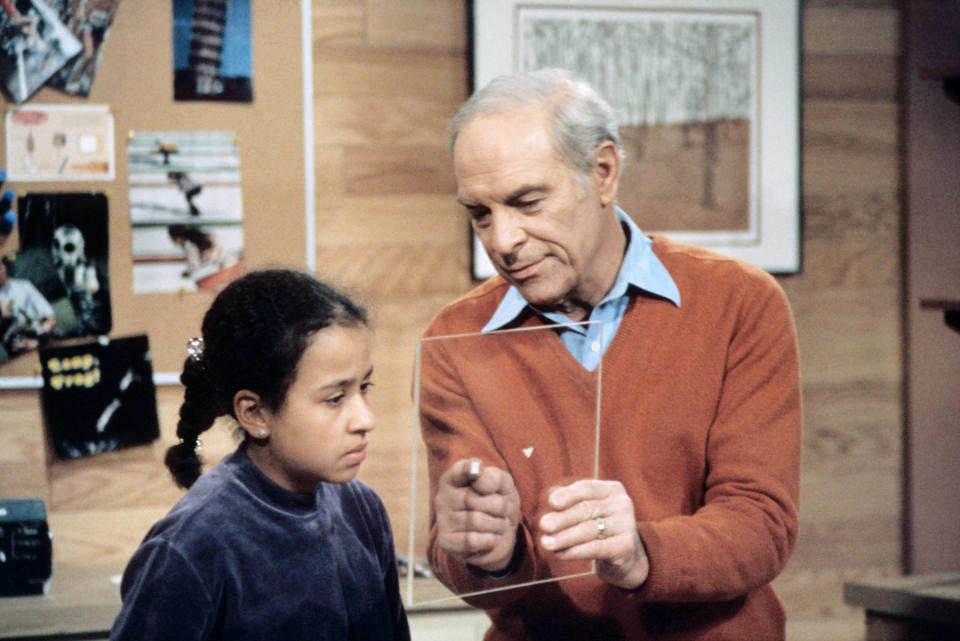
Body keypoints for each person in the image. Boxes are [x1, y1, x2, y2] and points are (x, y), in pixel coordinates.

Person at [418, 68, 801, 640]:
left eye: (527, 202)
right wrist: (485, 553)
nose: (503, 240)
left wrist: (641, 553)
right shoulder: (455, 340)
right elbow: (460, 560)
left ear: (602, 173)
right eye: (480, 213)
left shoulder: (740, 303)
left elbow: (761, 524)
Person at [110, 269, 410, 641]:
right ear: (255, 413)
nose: (367, 419)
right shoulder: (191, 546)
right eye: (335, 399)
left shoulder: (363, 511)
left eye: (365, 387)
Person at [0, 254, 57, 359]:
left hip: (38, 339)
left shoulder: (24, 287)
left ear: (4, 267)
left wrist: (37, 340)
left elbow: (50, 317)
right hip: (13, 351)